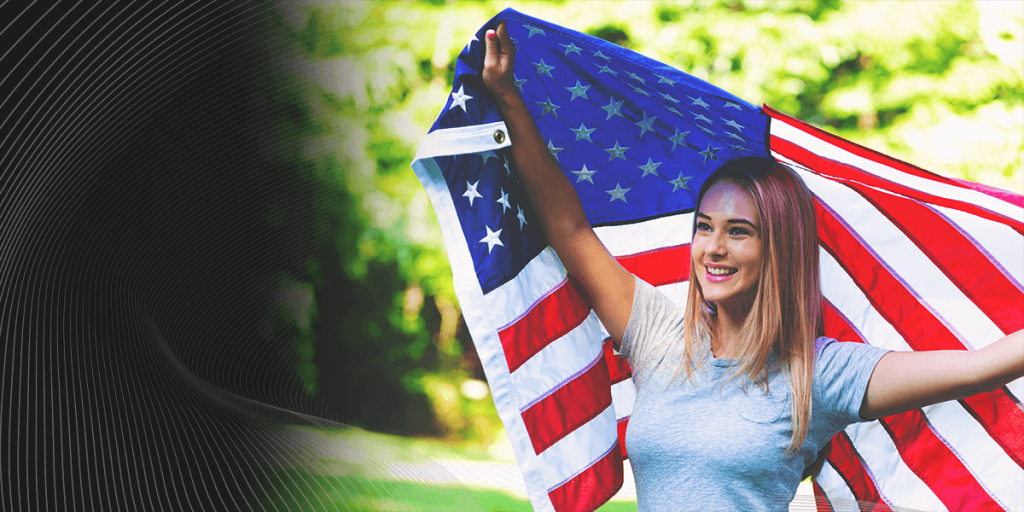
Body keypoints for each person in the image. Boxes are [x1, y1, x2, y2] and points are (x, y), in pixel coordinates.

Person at [480, 20, 1024, 511]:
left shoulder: (822, 374)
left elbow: (980, 367)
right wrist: (509, 98)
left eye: (738, 232)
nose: (713, 247)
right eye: (704, 227)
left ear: (777, 250)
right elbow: (570, 230)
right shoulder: (659, 338)